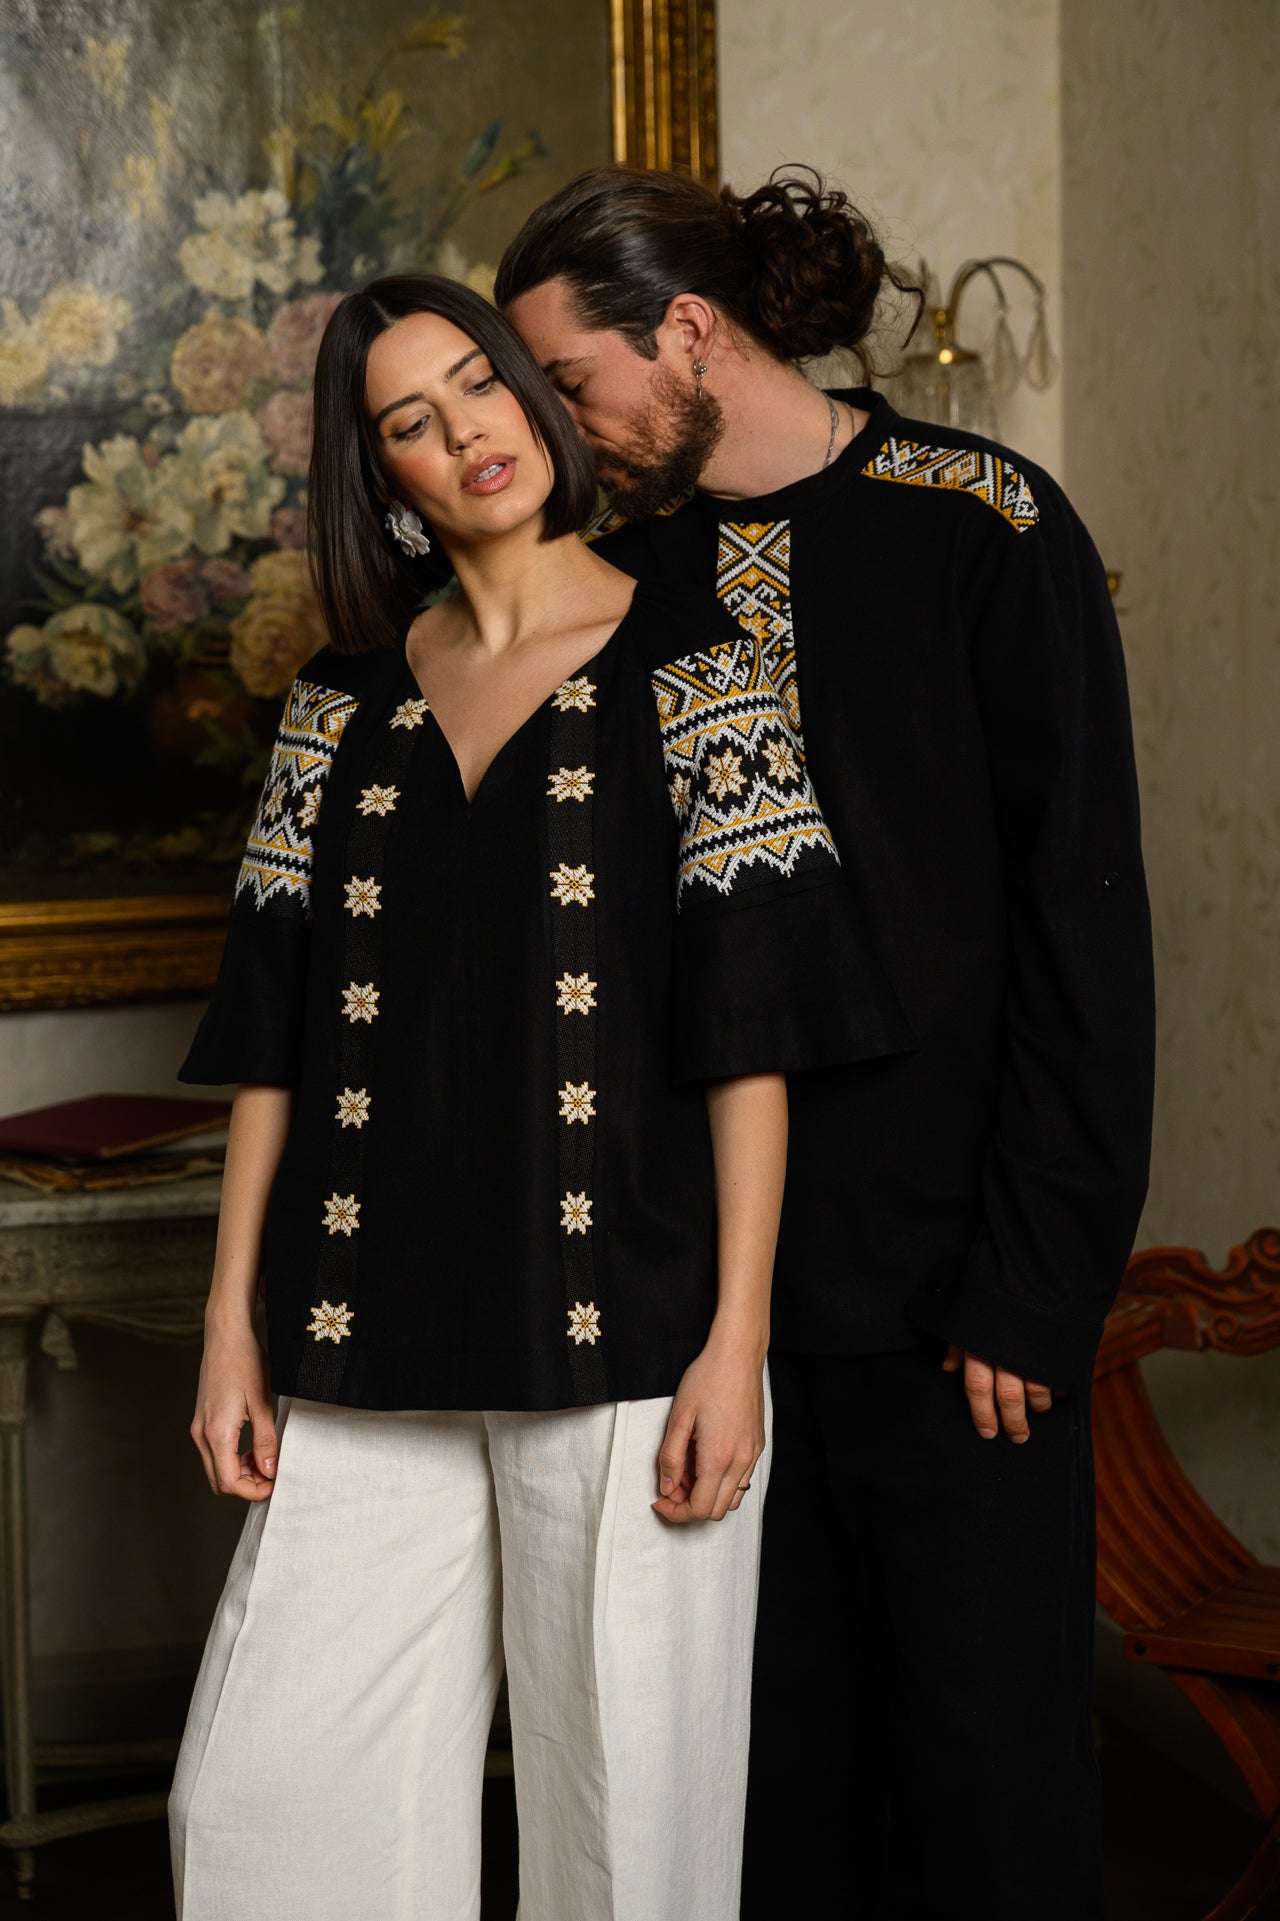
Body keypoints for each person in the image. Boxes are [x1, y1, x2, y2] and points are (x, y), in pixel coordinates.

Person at [168, 273, 896, 1921]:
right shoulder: (333, 708)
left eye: (480, 385)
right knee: (265, 1804)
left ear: (533, 395)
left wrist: (737, 1339)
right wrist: (230, 1325)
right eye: (409, 422)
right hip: (357, 1326)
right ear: (382, 477)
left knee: (628, 1834)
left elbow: (754, 1035)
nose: (465, 434)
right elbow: (273, 1037)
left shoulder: (704, 668)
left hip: (629, 1327)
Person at [498, 167, 1156, 1919]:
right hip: (701, 1314)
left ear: (687, 329)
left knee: (983, 1794)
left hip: (960, 1305)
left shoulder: (985, 522)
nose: (558, 425)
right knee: (755, 1798)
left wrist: (1036, 1283)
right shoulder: (609, 577)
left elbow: (1085, 931)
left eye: (571, 380)